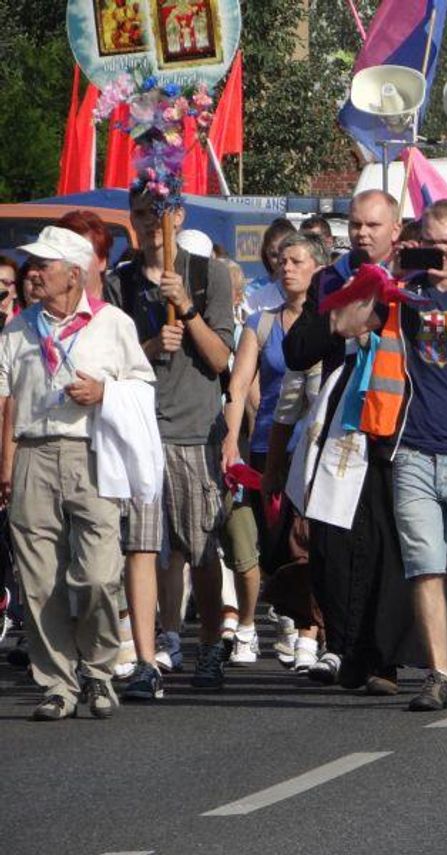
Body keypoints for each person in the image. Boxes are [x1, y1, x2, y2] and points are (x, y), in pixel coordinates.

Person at [327, 198, 447, 710]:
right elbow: (345, 325)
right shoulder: (400, 294)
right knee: (424, 564)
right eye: (429, 245)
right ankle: (438, 673)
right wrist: (386, 276)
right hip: (410, 450)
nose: (437, 255)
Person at [0, 225, 154, 719]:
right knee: (39, 579)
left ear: (74, 274)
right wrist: (5, 464)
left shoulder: (112, 324)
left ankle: (100, 670)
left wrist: (105, 392)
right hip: (33, 453)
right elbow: (4, 399)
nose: (33, 274)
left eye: (44, 265)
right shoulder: (17, 328)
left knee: (95, 576)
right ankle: (58, 684)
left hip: (91, 454)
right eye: (32, 266)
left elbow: (143, 388)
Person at [282, 189, 416, 691]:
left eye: (373, 226)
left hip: (401, 425)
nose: (362, 234)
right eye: (356, 225)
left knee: (388, 544)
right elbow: (298, 350)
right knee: (333, 545)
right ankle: (345, 645)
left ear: (395, 229)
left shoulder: (414, 277)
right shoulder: (331, 280)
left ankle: (383, 655)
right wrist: (338, 325)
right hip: (345, 428)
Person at [117, 186, 235, 699]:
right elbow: (113, 360)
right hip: (140, 431)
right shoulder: (119, 282)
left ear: (178, 215)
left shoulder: (208, 275)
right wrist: (147, 346)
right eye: (140, 214)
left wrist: (186, 310)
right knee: (140, 549)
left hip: (192, 430)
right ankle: (146, 659)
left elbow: (219, 359)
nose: (148, 224)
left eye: (158, 214)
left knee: (200, 546)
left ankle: (210, 642)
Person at [221, 232, 328, 669]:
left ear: (317, 268)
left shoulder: (330, 321)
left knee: (306, 540)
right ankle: (286, 618)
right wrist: (231, 441)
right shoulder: (261, 323)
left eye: (296, 261)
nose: (286, 268)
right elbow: (238, 383)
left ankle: (308, 637)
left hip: (316, 450)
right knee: (272, 545)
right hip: (268, 446)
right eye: (281, 261)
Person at [243, 217, 296, 317]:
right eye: (274, 255)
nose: (281, 260)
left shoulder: (314, 292)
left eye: (285, 253)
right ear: (266, 256)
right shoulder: (253, 297)